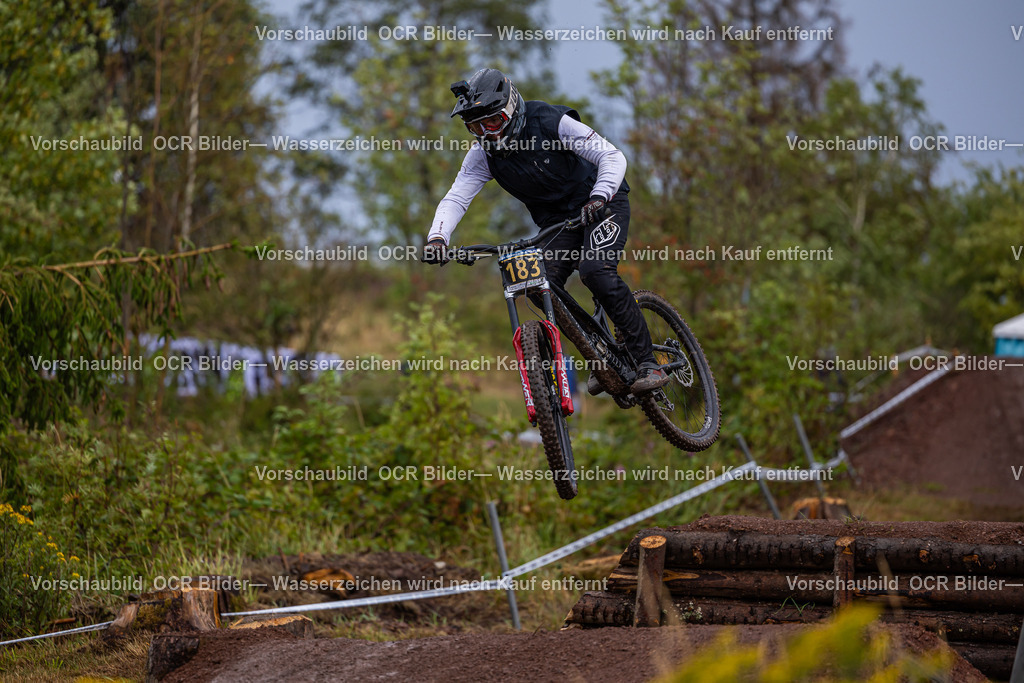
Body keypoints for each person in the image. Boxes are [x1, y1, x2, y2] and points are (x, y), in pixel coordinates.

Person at [422, 68, 670, 395]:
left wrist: (600, 195)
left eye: (492, 122)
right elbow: (457, 196)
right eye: (475, 126)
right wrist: (438, 238)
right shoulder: (482, 155)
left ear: (510, 109)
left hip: (602, 202)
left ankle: (646, 361)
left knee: (596, 271)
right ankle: (601, 357)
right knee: (540, 285)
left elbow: (611, 155)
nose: (486, 133)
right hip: (557, 223)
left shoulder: (550, 122)